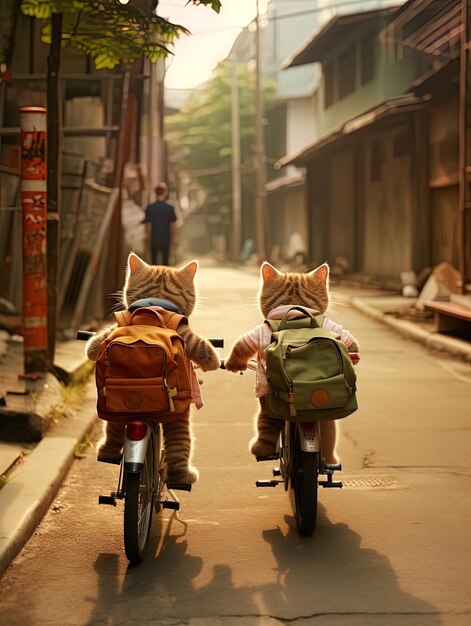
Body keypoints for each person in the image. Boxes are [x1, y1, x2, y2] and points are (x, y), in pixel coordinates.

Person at [143, 182, 178, 265]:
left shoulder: (150, 207)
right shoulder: (169, 208)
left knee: (153, 263)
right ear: (165, 192)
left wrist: (147, 238)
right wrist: (175, 238)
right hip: (166, 238)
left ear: (155, 193)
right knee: (166, 263)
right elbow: (173, 225)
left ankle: (155, 278)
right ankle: (164, 278)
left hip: (154, 239)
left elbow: (148, 225)